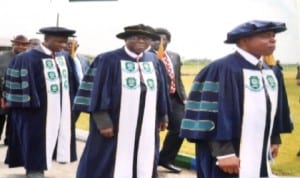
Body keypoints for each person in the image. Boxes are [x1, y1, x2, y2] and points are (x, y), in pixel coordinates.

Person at [180, 20, 293, 178]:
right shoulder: (220, 69)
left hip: (259, 151)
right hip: (227, 157)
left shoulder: (269, 72)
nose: (273, 39)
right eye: (265, 35)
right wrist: (223, 152)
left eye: (274, 36)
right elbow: (206, 115)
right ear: (244, 40)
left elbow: (272, 109)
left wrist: (274, 138)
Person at [73, 24, 170, 178]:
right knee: (106, 160)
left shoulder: (154, 61)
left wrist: (163, 115)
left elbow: (161, 90)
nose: (141, 41)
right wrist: (103, 122)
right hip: (115, 123)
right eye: (136, 37)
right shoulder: (107, 59)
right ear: (126, 39)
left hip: (146, 124)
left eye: (145, 38)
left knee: (144, 157)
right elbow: (96, 92)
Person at [4, 27, 79, 178]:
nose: (63, 45)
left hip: (59, 109)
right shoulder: (26, 58)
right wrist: (27, 106)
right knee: (34, 140)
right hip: (33, 110)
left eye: (65, 42)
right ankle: (34, 170)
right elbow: (15, 86)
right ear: (46, 39)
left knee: (52, 139)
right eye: (59, 41)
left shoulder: (64, 57)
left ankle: (43, 165)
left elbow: (73, 83)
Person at [150, 27, 186, 173]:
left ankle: (166, 159)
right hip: (156, 99)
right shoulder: (147, 56)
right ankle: (150, 162)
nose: (160, 41)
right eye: (156, 38)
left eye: (164, 39)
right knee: (154, 130)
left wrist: (184, 97)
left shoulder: (175, 56)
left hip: (174, 99)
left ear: (168, 41)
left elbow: (178, 78)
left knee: (180, 128)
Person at [0, 34, 29, 145]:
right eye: (18, 44)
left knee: (14, 121)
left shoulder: (29, 59)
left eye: (24, 44)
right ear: (13, 44)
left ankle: (9, 141)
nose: (21, 46)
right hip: (2, 94)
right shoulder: (2, 57)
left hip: (19, 97)